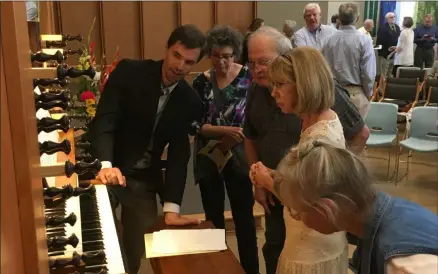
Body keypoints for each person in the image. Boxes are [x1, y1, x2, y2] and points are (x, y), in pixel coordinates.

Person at [244, 26, 369, 274]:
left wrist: (270, 181)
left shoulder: (318, 137)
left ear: (303, 84)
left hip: (309, 246)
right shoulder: (316, 118)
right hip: (314, 238)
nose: (274, 91)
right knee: (272, 245)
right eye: (252, 63)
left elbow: (307, 204)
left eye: (280, 83)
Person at [88, 25, 205, 274]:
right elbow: (105, 121)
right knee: (100, 232)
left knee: (136, 244)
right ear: (167, 47)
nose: (180, 66)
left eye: (189, 62)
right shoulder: (130, 72)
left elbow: (178, 154)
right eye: (176, 55)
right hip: (108, 164)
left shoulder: (189, 101)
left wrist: (172, 208)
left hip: (142, 178)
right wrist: (106, 165)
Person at [255, 138, 438, 274]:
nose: (297, 217)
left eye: (296, 211)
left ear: (326, 210)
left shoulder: (402, 264)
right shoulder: (382, 213)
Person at [191, 25, 259, 274]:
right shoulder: (201, 82)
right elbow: (193, 124)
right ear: (210, 54)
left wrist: (238, 135)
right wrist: (223, 131)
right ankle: (218, 268)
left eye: (228, 56)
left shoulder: (250, 79)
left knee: (244, 219)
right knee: (214, 218)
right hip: (209, 156)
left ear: (236, 54)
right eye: (217, 55)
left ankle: (250, 269)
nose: (222, 61)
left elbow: (256, 119)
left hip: (241, 157)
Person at [323, 3, 376, 119]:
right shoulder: (364, 40)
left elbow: (322, 69)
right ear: (357, 18)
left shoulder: (327, 40)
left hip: (332, 94)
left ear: (339, 18)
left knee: (334, 135)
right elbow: (368, 73)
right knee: (356, 136)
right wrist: (368, 94)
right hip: (355, 93)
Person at [376, 12, 401, 77]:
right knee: (384, 73)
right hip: (385, 54)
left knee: (391, 72)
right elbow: (379, 41)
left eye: (394, 17)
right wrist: (381, 53)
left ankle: (389, 86)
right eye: (391, 17)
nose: (393, 18)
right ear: (387, 19)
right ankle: (382, 86)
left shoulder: (397, 27)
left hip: (395, 54)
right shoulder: (383, 28)